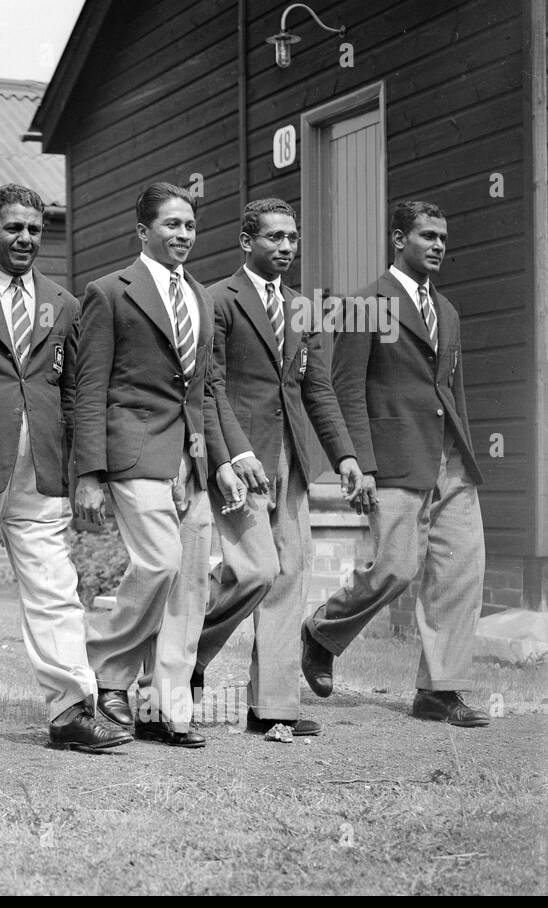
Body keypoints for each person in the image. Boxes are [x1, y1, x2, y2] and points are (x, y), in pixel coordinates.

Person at [0, 183, 128, 754]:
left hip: (41, 468)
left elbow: (74, 394)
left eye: (35, 229)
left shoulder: (63, 304)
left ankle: (71, 711)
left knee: (56, 589)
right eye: (13, 227)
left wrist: (84, 470)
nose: (25, 238)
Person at [302, 201, 490, 727]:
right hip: (394, 457)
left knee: (460, 574)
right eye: (427, 235)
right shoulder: (367, 304)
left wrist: (466, 456)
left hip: (449, 458)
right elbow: (346, 387)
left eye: (443, 238)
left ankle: (438, 691)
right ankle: (321, 630)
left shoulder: (447, 311)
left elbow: (452, 392)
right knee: (395, 566)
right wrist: (357, 462)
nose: (438, 246)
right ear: (398, 239)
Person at [199, 198, 365, 735]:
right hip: (240, 455)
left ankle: (273, 707)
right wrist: (234, 452)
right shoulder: (217, 300)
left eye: (292, 238)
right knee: (255, 569)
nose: (286, 247)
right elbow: (212, 385)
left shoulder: (304, 308)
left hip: (290, 457)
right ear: (247, 242)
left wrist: (344, 456)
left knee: (291, 572)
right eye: (274, 237)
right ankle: (185, 654)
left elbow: (316, 389)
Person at [73, 181, 215, 749]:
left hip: (188, 458)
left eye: (189, 226)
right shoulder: (109, 292)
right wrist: (89, 472)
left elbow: (199, 386)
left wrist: (197, 446)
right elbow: (90, 387)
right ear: (143, 232)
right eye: (171, 225)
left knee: (189, 583)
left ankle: (165, 707)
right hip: (132, 451)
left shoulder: (201, 296)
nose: (183, 235)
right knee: (159, 563)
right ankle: (107, 669)